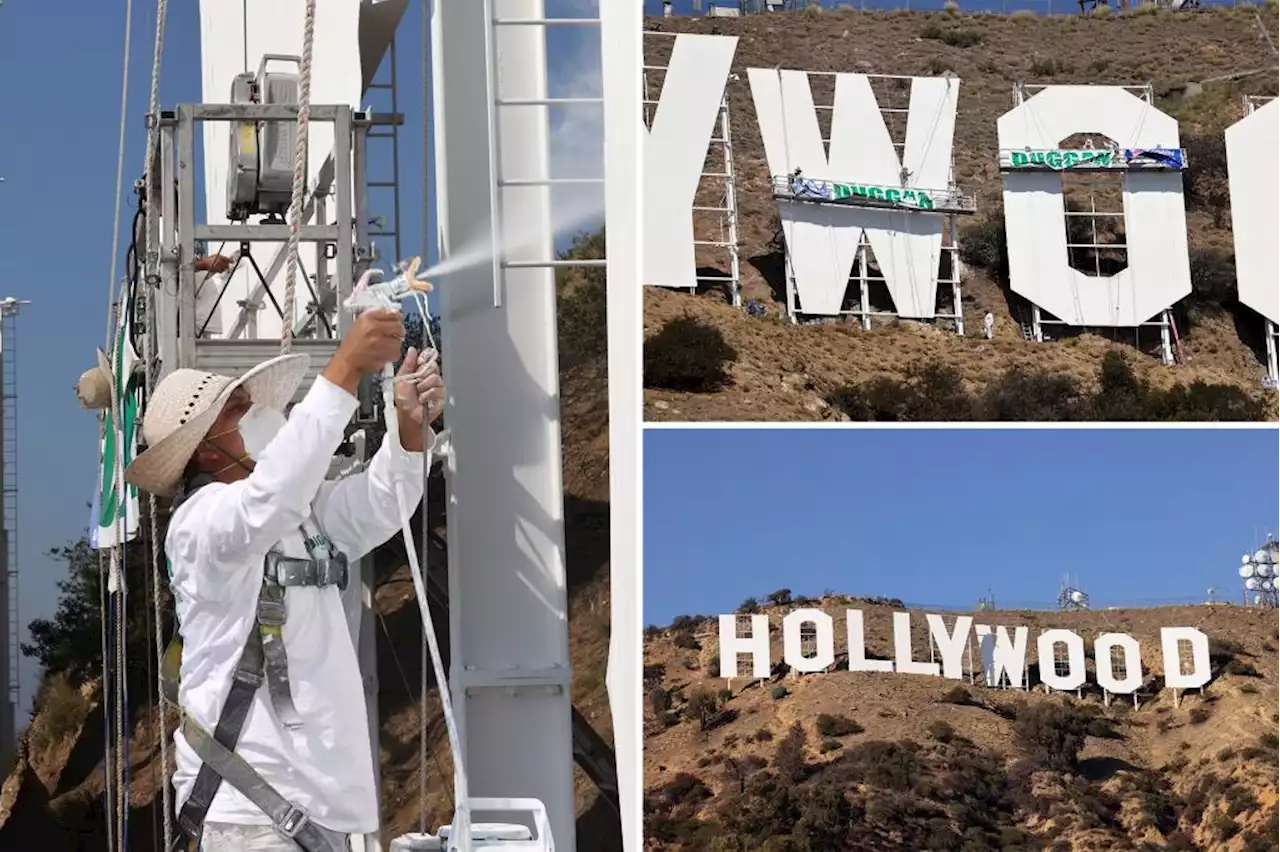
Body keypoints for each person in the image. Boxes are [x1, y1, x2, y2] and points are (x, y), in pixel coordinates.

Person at [123, 309, 443, 852]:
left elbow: (380, 503)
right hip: (246, 812)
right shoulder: (200, 524)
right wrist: (344, 367)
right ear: (205, 447)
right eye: (241, 409)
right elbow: (271, 496)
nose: (261, 415)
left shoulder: (301, 515)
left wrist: (409, 431)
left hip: (318, 810)